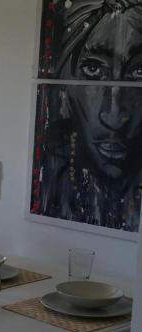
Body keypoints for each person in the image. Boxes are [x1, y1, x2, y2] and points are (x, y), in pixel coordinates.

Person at [33, 0, 142, 232]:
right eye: (93, 70)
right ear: (64, 87)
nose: (113, 116)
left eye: (138, 71)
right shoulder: (50, 183)